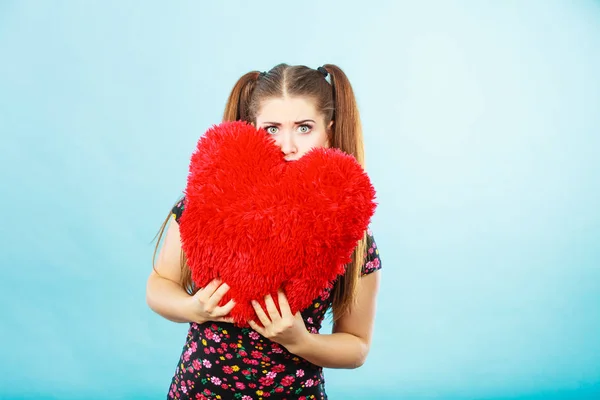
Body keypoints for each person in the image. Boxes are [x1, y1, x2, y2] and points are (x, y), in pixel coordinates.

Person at [147, 63, 382, 400]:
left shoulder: (349, 229)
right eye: (272, 129)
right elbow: (159, 286)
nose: (287, 145)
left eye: (304, 128)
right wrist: (192, 308)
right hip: (197, 391)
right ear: (252, 129)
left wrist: (301, 341)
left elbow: (357, 346)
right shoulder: (208, 200)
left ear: (328, 131)